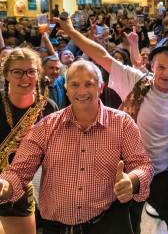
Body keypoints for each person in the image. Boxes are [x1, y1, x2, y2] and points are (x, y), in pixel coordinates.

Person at [55, 17, 168, 233]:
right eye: (161, 67)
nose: (167, 74)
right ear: (152, 66)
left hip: (162, 174)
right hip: (126, 170)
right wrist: (71, 31)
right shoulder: (137, 83)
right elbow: (100, 55)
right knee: (125, 226)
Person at [0, 60, 153, 234]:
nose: (81, 91)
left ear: (101, 87)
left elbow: (143, 166)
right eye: (74, 84)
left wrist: (132, 181)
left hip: (106, 223)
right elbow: (19, 171)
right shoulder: (47, 126)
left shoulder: (122, 123)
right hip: (56, 228)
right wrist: (4, 186)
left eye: (89, 84)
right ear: (66, 88)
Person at [0, 48, 58, 234]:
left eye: (31, 71)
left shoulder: (48, 108)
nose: (25, 78)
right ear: (6, 75)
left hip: (20, 187)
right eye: (17, 72)